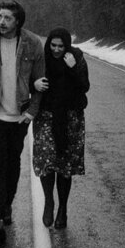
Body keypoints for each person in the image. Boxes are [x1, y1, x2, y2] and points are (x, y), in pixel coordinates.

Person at [0, 0, 47, 244]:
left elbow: (41, 81)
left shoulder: (33, 43)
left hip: (19, 118)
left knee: (13, 165)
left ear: (18, 21)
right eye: (0, 16)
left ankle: (6, 206)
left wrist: (31, 113)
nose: (2, 22)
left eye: (8, 18)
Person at [32, 27, 90, 229]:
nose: (56, 50)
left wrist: (73, 68)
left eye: (61, 46)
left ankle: (63, 208)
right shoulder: (42, 59)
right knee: (47, 161)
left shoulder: (77, 58)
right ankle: (49, 202)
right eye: (53, 45)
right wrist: (34, 84)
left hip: (70, 117)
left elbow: (84, 86)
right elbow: (29, 81)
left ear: (67, 46)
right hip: (46, 115)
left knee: (65, 166)